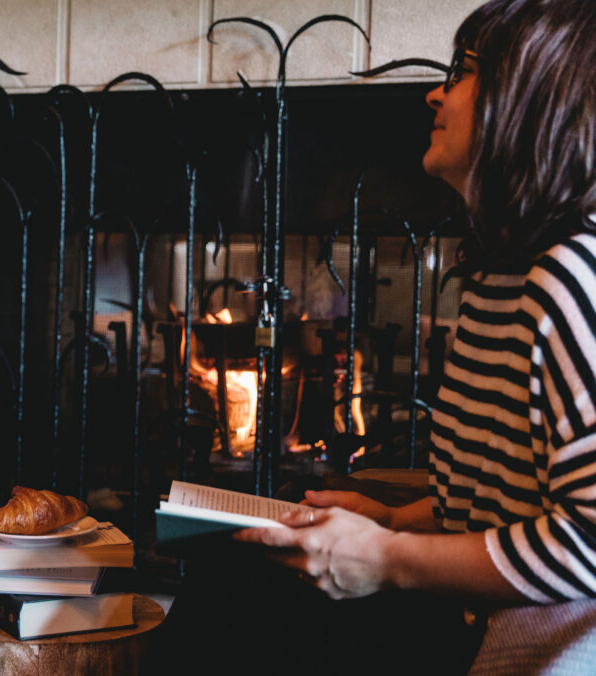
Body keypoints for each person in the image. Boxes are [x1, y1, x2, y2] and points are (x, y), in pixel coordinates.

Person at [149, 0, 596, 673]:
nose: (435, 92)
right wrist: (396, 520)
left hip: (530, 637)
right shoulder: (497, 279)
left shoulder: (572, 280)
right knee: (232, 574)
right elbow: (501, 508)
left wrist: (387, 558)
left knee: (235, 610)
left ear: (531, 102)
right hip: (469, 607)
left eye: (464, 73)